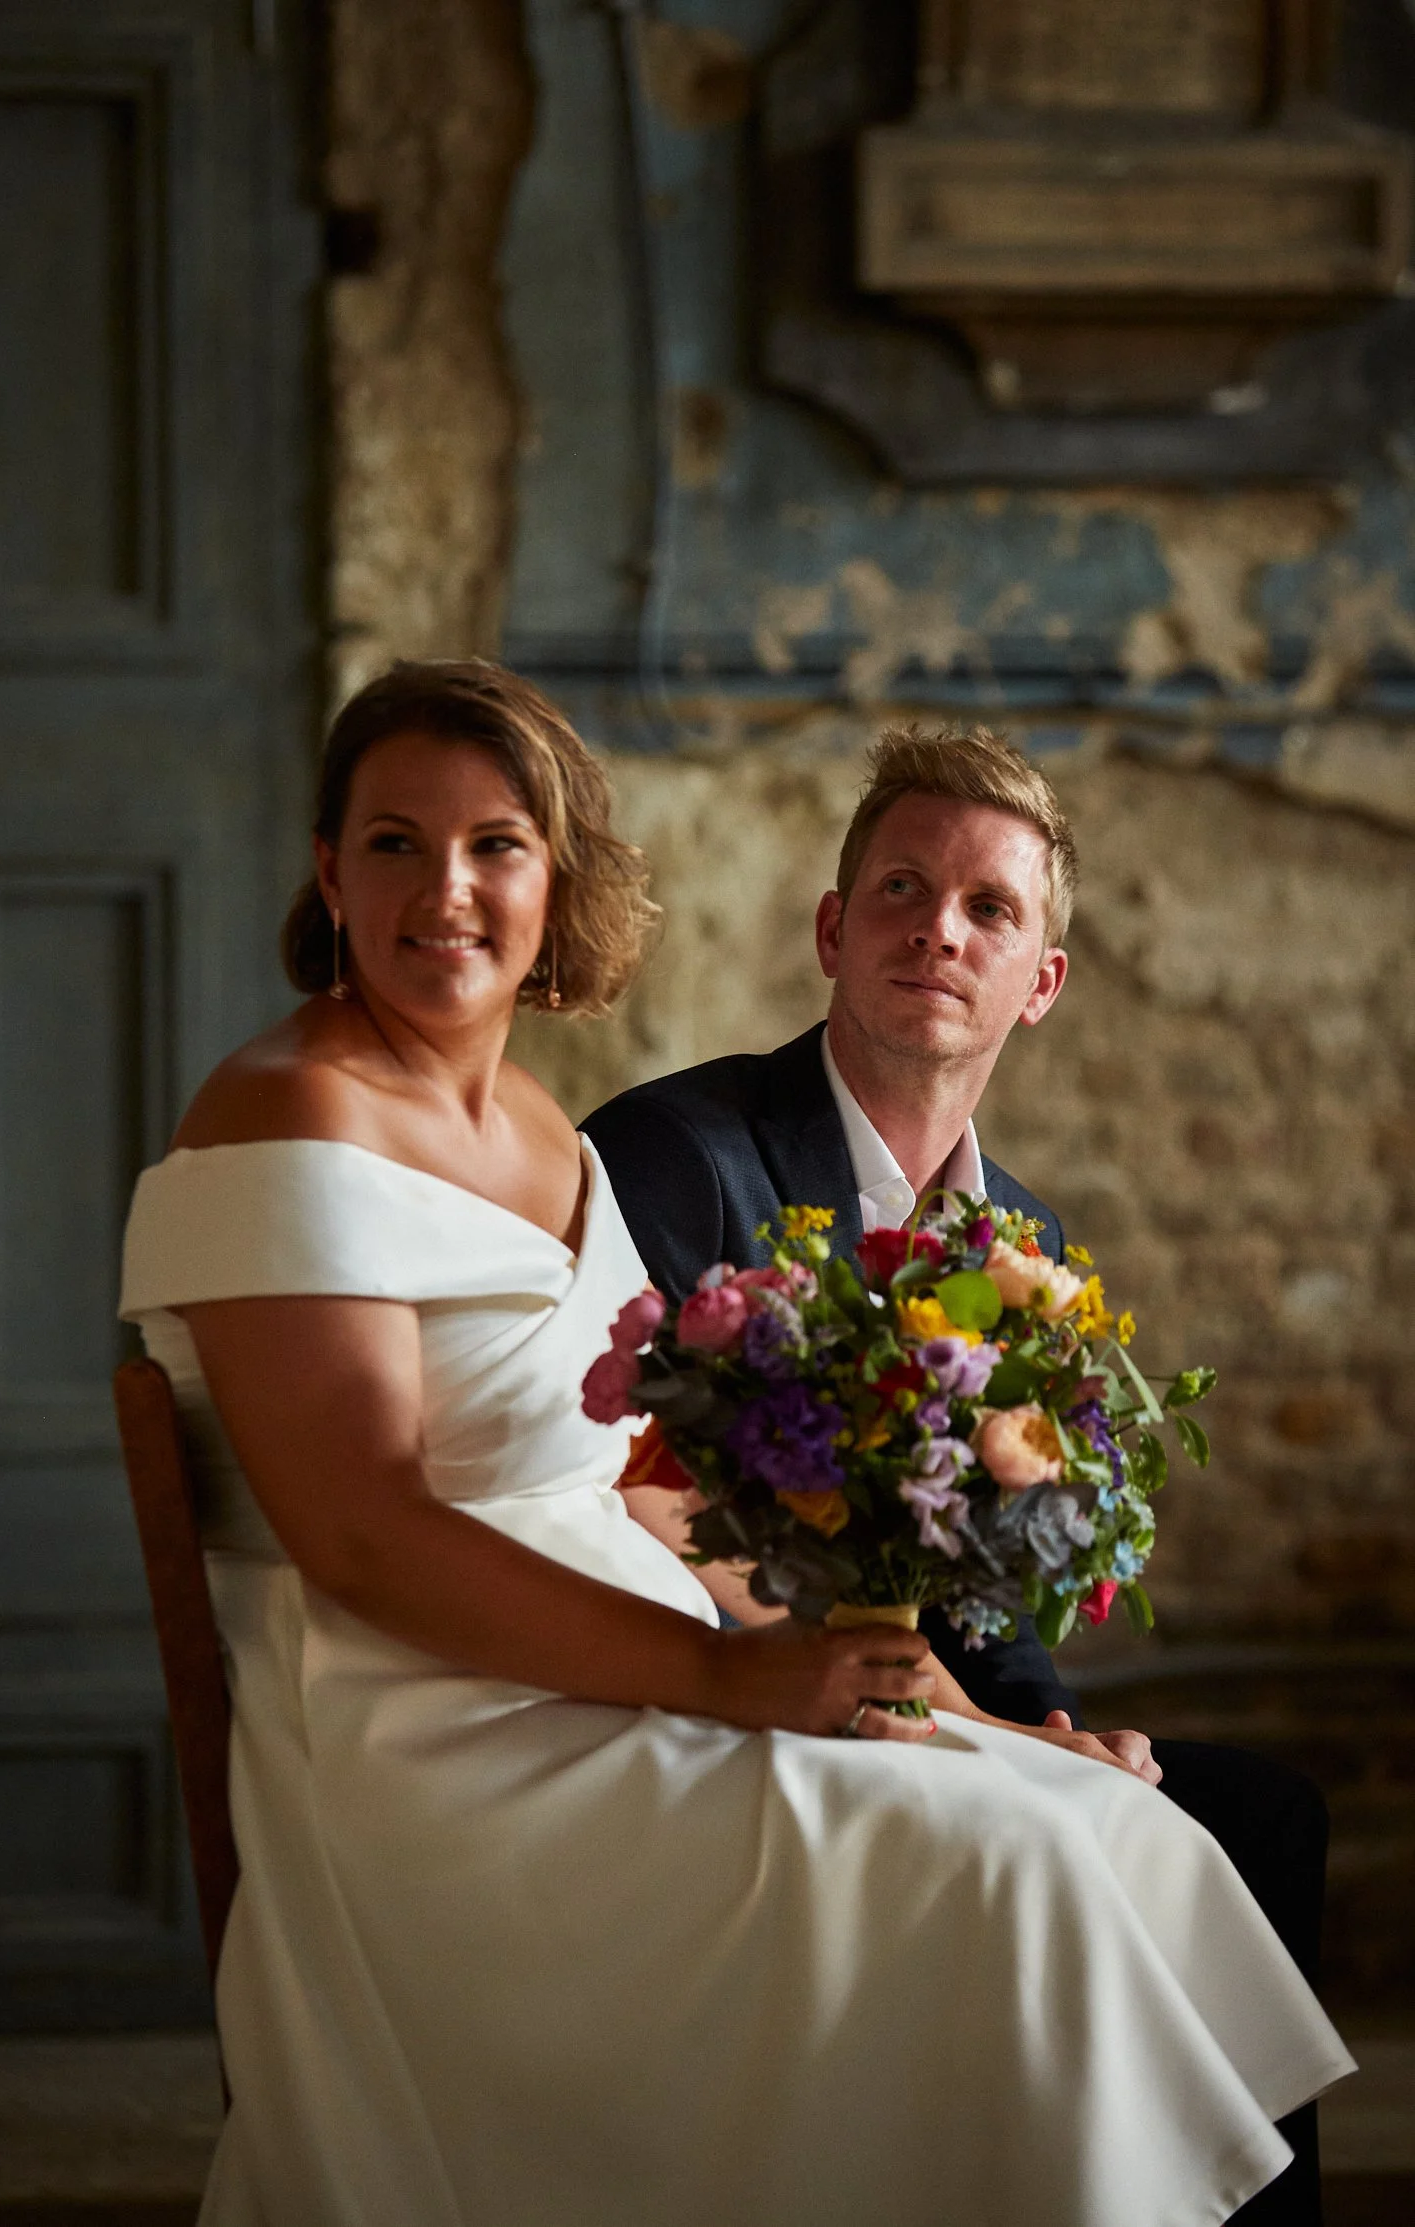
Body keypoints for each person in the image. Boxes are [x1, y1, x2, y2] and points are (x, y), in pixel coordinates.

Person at [120, 663, 1351, 2227]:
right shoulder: (287, 1112)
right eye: (393, 843)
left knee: (1094, 1818)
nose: (449, 889)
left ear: (553, 878)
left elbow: (658, 1484)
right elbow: (363, 1539)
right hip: (444, 1740)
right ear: (327, 873)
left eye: (497, 843)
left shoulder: (546, 1135)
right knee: (1014, 1874)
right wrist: (719, 1678)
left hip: (617, 1670)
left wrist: (961, 1711)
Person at [583, 723, 1337, 2226]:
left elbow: (992, 1560)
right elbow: (621, 1499)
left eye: (991, 908)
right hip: (726, 1713)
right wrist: (977, 1725)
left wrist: (1051, 1720)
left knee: (1251, 1813)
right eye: (903, 889)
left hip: (935, 1713)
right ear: (833, 927)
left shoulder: (1034, 1249)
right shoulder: (679, 1154)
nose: (942, 927)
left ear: (1040, 980)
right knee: (1074, 1840)